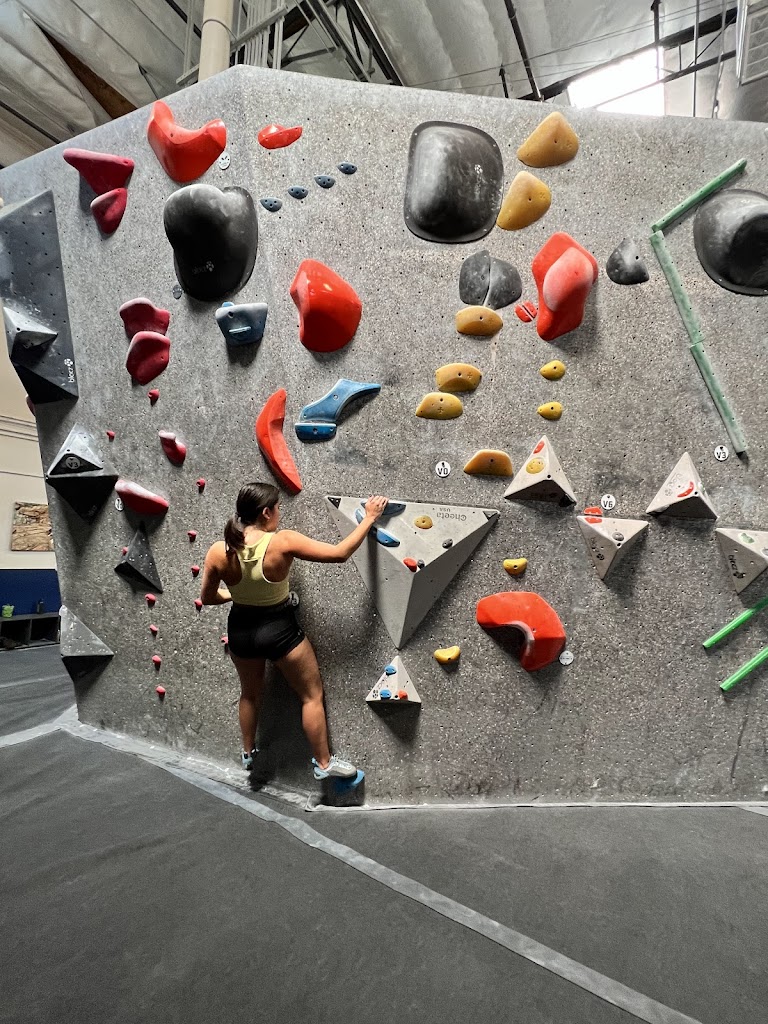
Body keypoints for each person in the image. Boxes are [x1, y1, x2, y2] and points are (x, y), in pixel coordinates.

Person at [200, 483, 388, 780]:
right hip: (279, 630)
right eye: (277, 508)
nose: (279, 513)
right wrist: (369, 518)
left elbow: (209, 597)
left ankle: (248, 755)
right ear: (265, 512)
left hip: (240, 631)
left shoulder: (219, 550)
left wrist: (236, 595)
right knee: (310, 695)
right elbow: (339, 554)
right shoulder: (282, 542)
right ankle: (324, 765)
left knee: (249, 694)